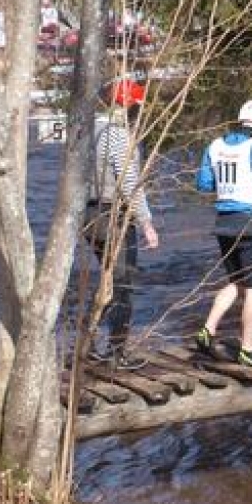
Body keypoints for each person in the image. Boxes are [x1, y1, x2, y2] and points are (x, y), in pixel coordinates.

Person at [194, 99, 252, 367]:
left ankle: (207, 331)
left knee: (237, 281)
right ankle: (247, 350)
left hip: (224, 224)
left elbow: (204, 183)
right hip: (250, 224)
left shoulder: (215, 145)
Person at [86, 79, 160, 368]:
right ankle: (117, 353)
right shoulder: (118, 135)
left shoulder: (88, 129)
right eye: (137, 109)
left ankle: (88, 343)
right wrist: (147, 223)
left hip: (87, 216)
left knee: (107, 281)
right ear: (128, 107)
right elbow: (129, 182)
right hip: (112, 216)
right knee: (123, 285)